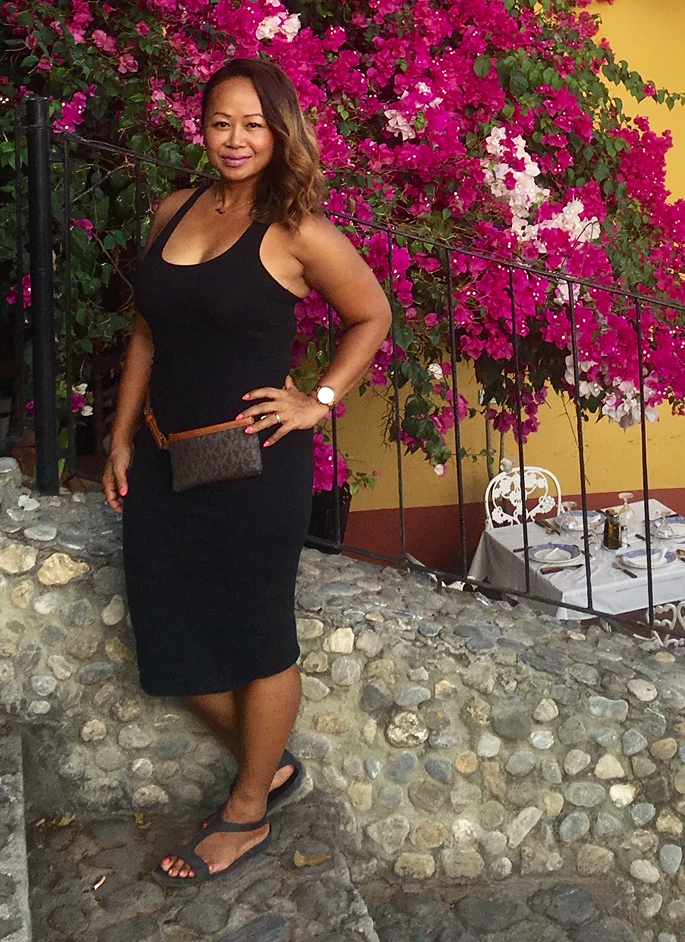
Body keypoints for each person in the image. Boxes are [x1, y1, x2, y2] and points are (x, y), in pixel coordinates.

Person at [103, 56, 391, 884]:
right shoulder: (172, 211)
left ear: (279, 132)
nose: (235, 138)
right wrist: (119, 437)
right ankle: (272, 765)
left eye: (253, 125)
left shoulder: (297, 232)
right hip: (163, 456)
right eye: (221, 122)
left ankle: (248, 809)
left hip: (253, 465)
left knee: (259, 639)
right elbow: (148, 333)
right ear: (202, 127)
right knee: (164, 635)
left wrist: (317, 400)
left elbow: (372, 314)